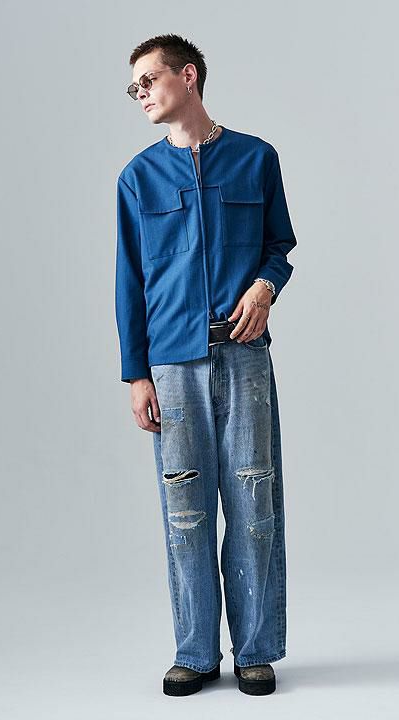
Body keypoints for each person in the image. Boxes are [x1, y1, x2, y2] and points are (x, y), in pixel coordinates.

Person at [115, 34, 297, 697]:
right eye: (134, 87)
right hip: (172, 365)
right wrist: (136, 373)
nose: (141, 94)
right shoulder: (137, 178)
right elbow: (129, 281)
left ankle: (255, 651)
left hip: (244, 356)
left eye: (149, 80)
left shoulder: (255, 158)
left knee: (254, 503)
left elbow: (279, 245)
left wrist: (265, 287)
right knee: (185, 511)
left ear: (187, 76)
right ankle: (195, 651)